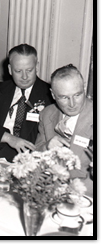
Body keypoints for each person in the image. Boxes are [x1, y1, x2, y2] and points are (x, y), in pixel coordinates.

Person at [0, 44, 54, 162]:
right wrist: (9, 138)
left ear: (37, 67)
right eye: (18, 71)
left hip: (22, 159)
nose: (24, 76)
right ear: (10, 70)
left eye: (29, 70)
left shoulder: (49, 95)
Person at [35, 64, 93, 197]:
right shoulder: (47, 114)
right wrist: (47, 146)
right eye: (64, 97)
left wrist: (71, 192)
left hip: (86, 195)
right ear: (53, 95)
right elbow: (35, 154)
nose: (72, 104)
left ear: (84, 88)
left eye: (77, 95)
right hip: (49, 189)